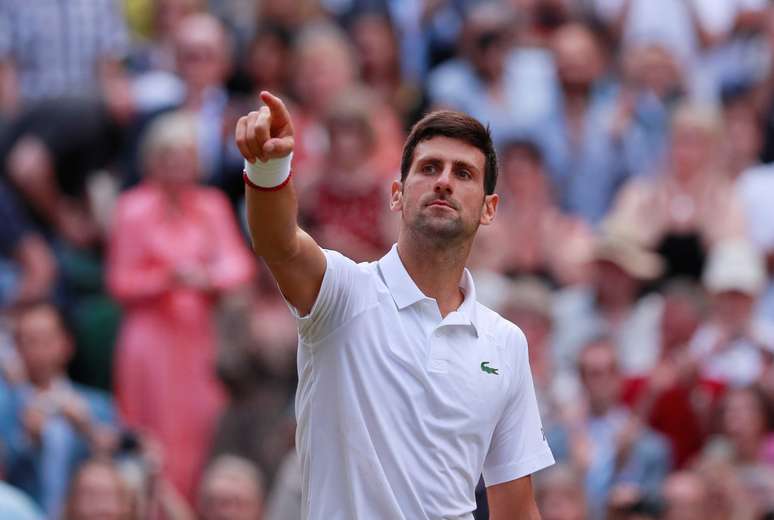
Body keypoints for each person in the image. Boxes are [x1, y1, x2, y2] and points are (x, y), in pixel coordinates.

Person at [235, 91, 554, 518]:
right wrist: (269, 167)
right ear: (397, 194)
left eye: (463, 173)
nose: (444, 180)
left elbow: (516, 508)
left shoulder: (506, 343)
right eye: (429, 168)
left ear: (489, 209)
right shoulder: (343, 293)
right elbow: (279, 244)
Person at [107, 110, 256, 501]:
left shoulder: (211, 205)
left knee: (200, 428)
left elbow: (238, 266)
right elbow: (120, 281)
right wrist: (167, 278)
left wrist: (207, 278)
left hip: (197, 336)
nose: (177, 166)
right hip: (149, 340)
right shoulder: (132, 208)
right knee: (151, 434)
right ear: (152, 160)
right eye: (168, 157)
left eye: (186, 157)